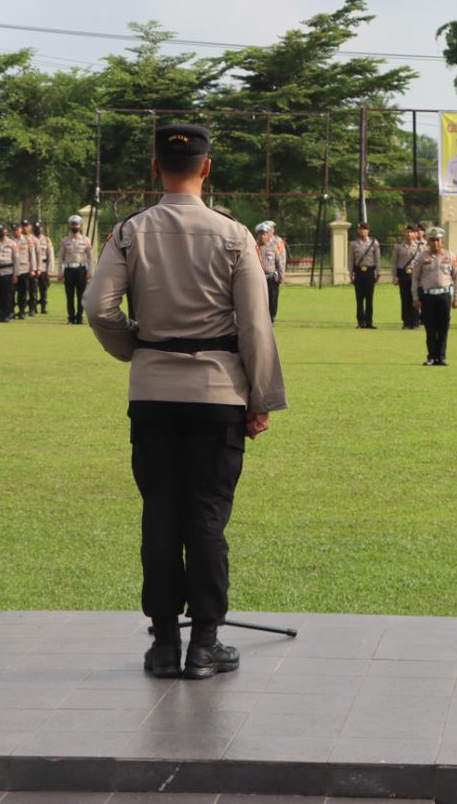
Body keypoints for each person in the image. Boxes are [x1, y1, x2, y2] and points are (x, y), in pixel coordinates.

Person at [86, 122, 286, 681]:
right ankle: (205, 644)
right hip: (218, 393)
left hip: (152, 391)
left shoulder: (129, 232)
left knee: (160, 515)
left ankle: (162, 645)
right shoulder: (234, 234)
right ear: (207, 167)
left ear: (156, 169)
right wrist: (261, 397)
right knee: (206, 517)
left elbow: (99, 307)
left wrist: (139, 348)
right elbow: (254, 324)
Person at [412, 225, 457, 364]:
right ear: (428, 242)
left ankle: (442, 356)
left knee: (443, 327)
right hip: (427, 296)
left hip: (444, 296)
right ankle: (431, 356)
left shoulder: (450, 256)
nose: (435, 243)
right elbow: (415, 278)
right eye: (432, 240)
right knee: (430, 327)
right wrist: (415, 297)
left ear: (442, 242)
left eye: (438, 240)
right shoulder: (421, 257)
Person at [59, 215, 94, 325]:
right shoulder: (65, 241)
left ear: (80, 226)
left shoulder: (86, 240)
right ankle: (71, 317)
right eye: (73, 224)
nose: (74, 226)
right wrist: (60, 272)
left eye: (76, 224)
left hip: (81, 270)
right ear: (70, 225)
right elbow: (61, 257)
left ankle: (79, 317)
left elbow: (90, 257)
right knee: (69, 295)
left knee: (81, 295)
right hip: (69, 270)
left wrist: (90, 271)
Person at [349, 222, 381, 329]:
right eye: (360, 229)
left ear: (368, 231)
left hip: (370, 272)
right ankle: (360, 322)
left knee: (369, 299)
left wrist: (378, 273)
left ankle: (369, 322)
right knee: (359, 299)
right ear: (358, 231)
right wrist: (351, 274)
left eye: (364, 229)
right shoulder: (353, 244)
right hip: (358, 273)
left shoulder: (374, 243)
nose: (362, 231)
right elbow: (351, 261)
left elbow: (377, 259)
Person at [392, 224, 422, 329]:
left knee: (415, 297)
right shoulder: (398, 246)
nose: (409, 234)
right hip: (403, 274)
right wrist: (394, 276)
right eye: (407, 232)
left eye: (411, 232)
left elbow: (422, 262)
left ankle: (415, 321)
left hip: (415, 274)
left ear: (415, 234)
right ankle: (406, 321)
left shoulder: (419, 246)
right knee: (404, 298)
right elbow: (394, 262)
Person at [255, 222, 282, 322]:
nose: (262, 236)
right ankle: (261, 318)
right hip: (258, 278)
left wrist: (281, 275)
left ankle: (271, 318)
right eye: (260, 233)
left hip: (271, 277)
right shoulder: (253, 247)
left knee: (273, 298)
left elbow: (279, 261)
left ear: (268, 235)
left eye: (264, 234)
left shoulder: (273, 247)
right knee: (259, 299)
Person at [34, 220, 54, 315]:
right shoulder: (31, 239)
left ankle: (43, 307)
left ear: (42, 229)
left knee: (44, 288)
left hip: (44, 267)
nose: (38, 230)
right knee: (33, 288)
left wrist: (50, 270)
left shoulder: (46, 240)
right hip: (33, 268)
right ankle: (33, 307)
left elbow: (50, 255)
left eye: (39, 228)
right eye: (36, 228)